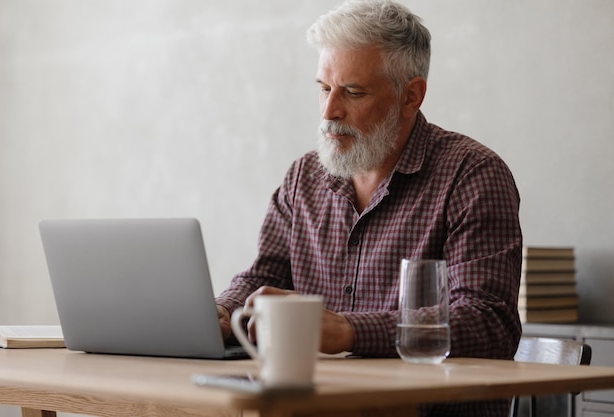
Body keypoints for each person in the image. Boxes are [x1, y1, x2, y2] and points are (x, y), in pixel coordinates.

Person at [216, 0, 522, 415]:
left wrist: (349, 330)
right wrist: (221, 312)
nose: (329, 112)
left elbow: (489, 323)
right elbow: (265, 276)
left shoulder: (472, 174)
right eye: (324, 88)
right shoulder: (303, 176)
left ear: (411, 95)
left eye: (353, 92)